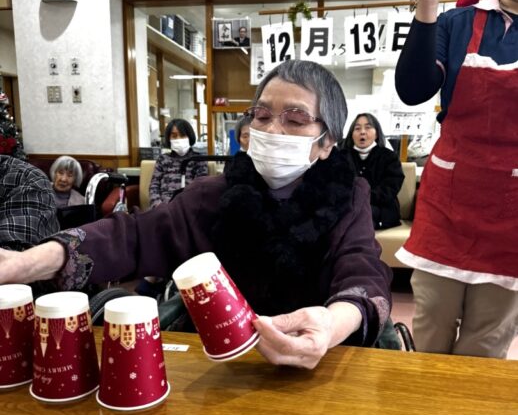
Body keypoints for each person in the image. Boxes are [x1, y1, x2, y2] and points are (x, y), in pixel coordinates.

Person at [0, 60, 392, 369]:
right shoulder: (213, 195)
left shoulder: (347, 197)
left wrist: (330, 325)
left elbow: (363, 272)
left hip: (318, 367)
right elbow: (135, 235)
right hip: (220, 366)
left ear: (327, 142)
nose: (273, 130)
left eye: (295, 119)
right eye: (261, 115)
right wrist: (24, 263)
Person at [395, 0, 518, 358]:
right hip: (449, 200)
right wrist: (428, 4)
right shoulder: (457, 23)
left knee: (487, 341)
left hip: (513, 216)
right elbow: (413, 89)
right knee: (431, 326)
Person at [338, 112, 404, 230]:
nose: (362, 132)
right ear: (351, 134)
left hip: (380, 208)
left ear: (377, 134)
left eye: (368, 127)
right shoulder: (341, 157)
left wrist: (361, 198)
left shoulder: (389, 157)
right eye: (357, 128)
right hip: (347, 206)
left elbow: (390, 188)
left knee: (359, 216)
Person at [0, 154, 59, 251]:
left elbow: (12, 253)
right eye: (60, 173)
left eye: (69, 175)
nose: (64, 179)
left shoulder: (29, 180)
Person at [148, 118, 208, 208]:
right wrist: (158, 206)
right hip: (163, 208)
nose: (179, 139)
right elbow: (154, 186)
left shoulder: (198, 159)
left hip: (188, 207)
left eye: (183, 135)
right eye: (174, 136)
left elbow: (200, 188)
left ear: (190, 136)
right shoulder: (162, 159)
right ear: (168, 139)